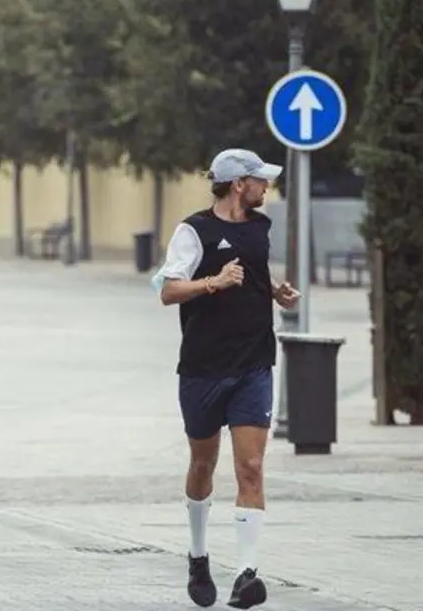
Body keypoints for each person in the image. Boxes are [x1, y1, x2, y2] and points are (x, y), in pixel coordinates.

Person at [151, 149, 300, 610]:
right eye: (259, 180)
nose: (266, 187)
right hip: (203, 367)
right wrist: (213, 282)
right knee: (202, 465)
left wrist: (276, 291)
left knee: (251, 468)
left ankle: (246, 575)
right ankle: (198, 557)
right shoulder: (194, 231)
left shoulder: (260, 227)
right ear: (239, 185)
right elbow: (168, 290)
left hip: (254, 362)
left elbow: (254, 272)